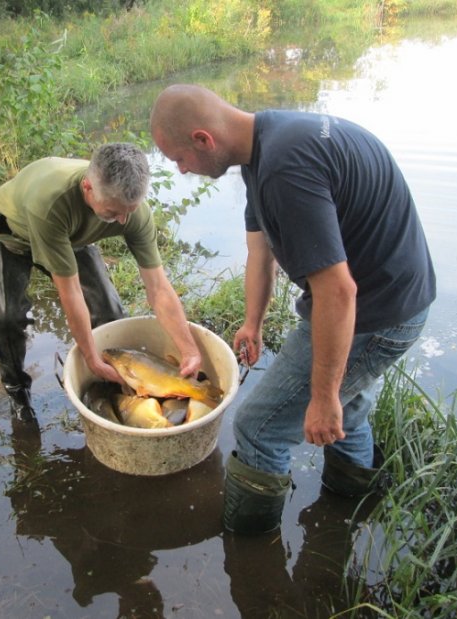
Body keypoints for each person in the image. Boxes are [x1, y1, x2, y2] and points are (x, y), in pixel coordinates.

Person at [150, 84, 436, 534]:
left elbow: (338, 292)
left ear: (204, 139)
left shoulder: (284, 168)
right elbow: (259, 252)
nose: (181, 170)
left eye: (178, 159)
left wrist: (322, 399)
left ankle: (248, 546)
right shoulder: (263, 141)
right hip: (394, 295)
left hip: (376, 314)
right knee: (351, 402)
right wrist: (252, 322)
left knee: (259, 426)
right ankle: (349, 508)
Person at [0, 142, 203, 423]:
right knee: (4, 319)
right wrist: (92, 359)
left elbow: (158, 288)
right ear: (88, 189)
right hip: (10, 234)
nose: (122, 220)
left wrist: (189, 349)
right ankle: (17, 392)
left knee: (109, 313)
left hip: (71, 236)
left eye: (128, 211)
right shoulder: (51, 204)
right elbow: (70, 293)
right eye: (112, 213)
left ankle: (114, 389)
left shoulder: (132, 212)